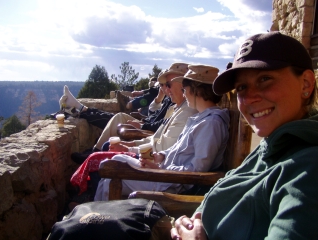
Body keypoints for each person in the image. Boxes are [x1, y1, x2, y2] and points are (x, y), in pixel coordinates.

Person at [170, 31, 318, 240]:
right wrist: (188, 223)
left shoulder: (308, 169)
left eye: (265, 79)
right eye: (241, 87)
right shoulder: (272, 146)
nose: (248, 97)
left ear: (306, 84)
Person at [94, 64, 230, 201]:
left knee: (111, 176)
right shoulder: (200, 118)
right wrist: (161, 156)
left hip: (171, 182)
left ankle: (99, 218)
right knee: (117, 160)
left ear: (197, 90)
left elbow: (198, 170)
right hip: (166, 173)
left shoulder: (211, 124)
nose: (183, 93)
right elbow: (179, 149)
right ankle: (94, 213)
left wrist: (161, 168)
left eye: (185, 88)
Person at [70, 63, 198, 197]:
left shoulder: (188, 113)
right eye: (163, 85)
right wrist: (131, 145)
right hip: (153, 154)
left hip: (157, 166)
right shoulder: (176, 107)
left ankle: (89, 199)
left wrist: (132, 145)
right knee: (110, 149)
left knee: (106, 162)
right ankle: (91, 198)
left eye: (168, 84)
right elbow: (156, 126)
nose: (165, 88)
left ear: (184, 84)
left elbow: (164, 146)